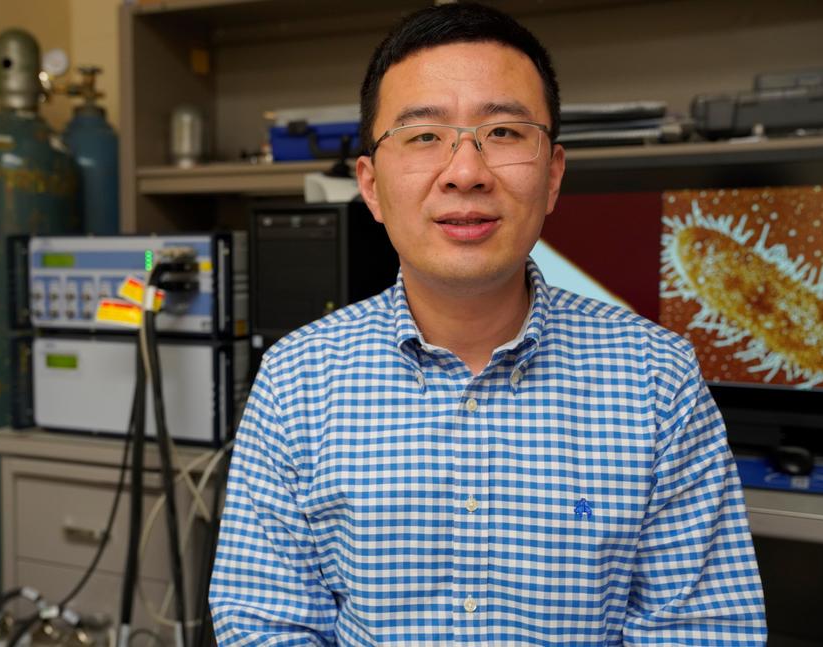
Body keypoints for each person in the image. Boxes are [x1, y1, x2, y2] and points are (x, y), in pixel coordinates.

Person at [209, 3, 767, 644]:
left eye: (503, 131)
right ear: (371, 185)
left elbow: (702, 629)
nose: (466, 173)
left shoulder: (657, 378)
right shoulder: (296, 379)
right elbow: (266, 625)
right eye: (424, 136)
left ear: (552, 176)